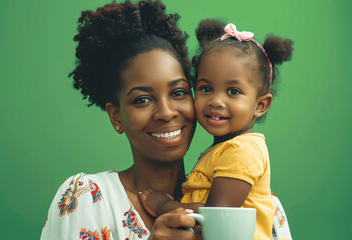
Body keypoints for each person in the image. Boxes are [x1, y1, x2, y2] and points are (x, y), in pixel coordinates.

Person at [40, 1, 199, 239]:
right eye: (143, 100)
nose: (166, 112)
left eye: (178, 93)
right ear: (116, 117)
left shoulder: (246, 199)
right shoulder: (88, 198)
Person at [138, 19, 294, 240]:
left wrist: (164, 204)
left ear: (260, 105)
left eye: (233, 91)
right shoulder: (224, 150)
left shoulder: (243, 151)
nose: (216, 101)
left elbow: (215, 219)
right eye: (206, 88)